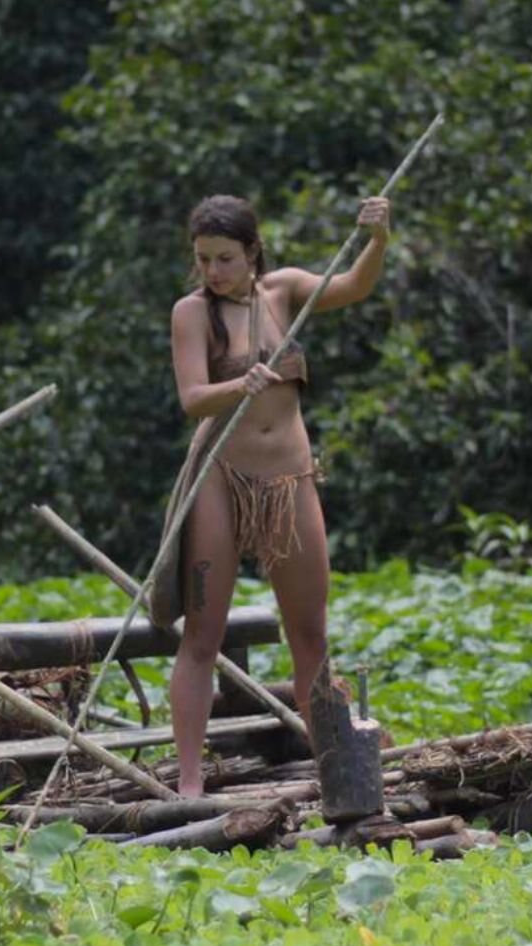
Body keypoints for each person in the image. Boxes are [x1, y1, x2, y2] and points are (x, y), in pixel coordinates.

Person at [153, 192, 392, 797]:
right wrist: (241, 383)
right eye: (203, 259)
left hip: (288, 478)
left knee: (310, 636)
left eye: (225, 258)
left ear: (253, 252)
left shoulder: (284, 292)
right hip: (223, 476)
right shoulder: (191, 312)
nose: (212, 271)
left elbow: (354, 286)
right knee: (202, 635)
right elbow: (192, 399)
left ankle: (332, 771)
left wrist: (377, 239)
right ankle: (189, 782)